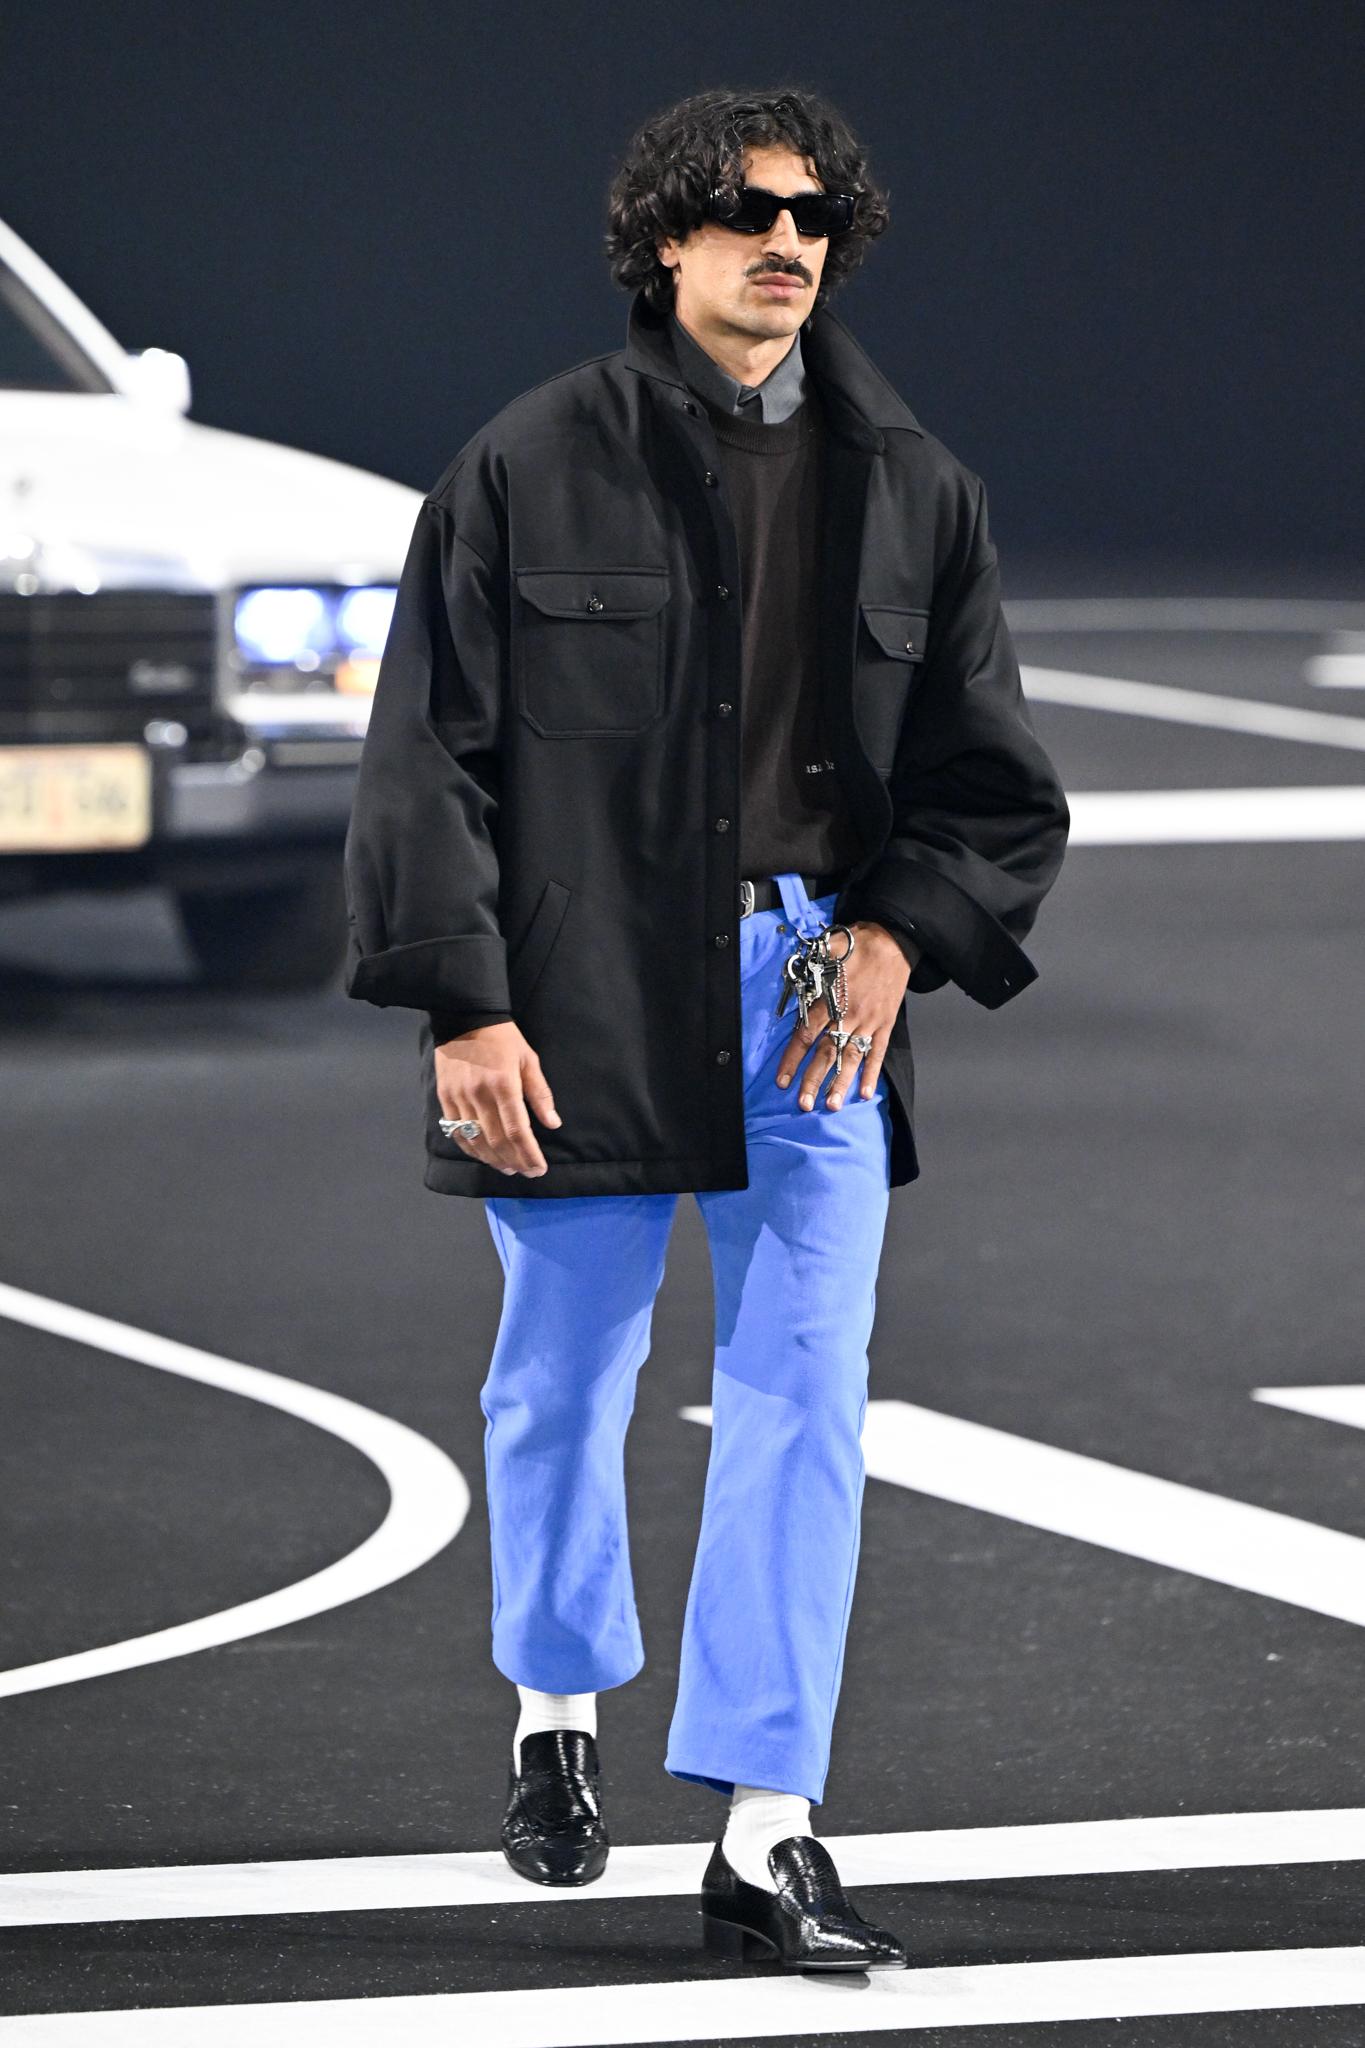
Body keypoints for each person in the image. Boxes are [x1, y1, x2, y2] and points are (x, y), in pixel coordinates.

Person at [343, 83, 1069, 1972]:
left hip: (814, 1001)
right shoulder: (524, 465)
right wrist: (463, 1004)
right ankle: (555, 1712)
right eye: (748, 210)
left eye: (814, 216)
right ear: (665, 237)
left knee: (802, 1402)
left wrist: (897, 940)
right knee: (558, 1380)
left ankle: (765, 1828)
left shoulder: (913, 486)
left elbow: (994, 788)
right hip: (575, 994)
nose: (787, 243)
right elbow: (427, 760)